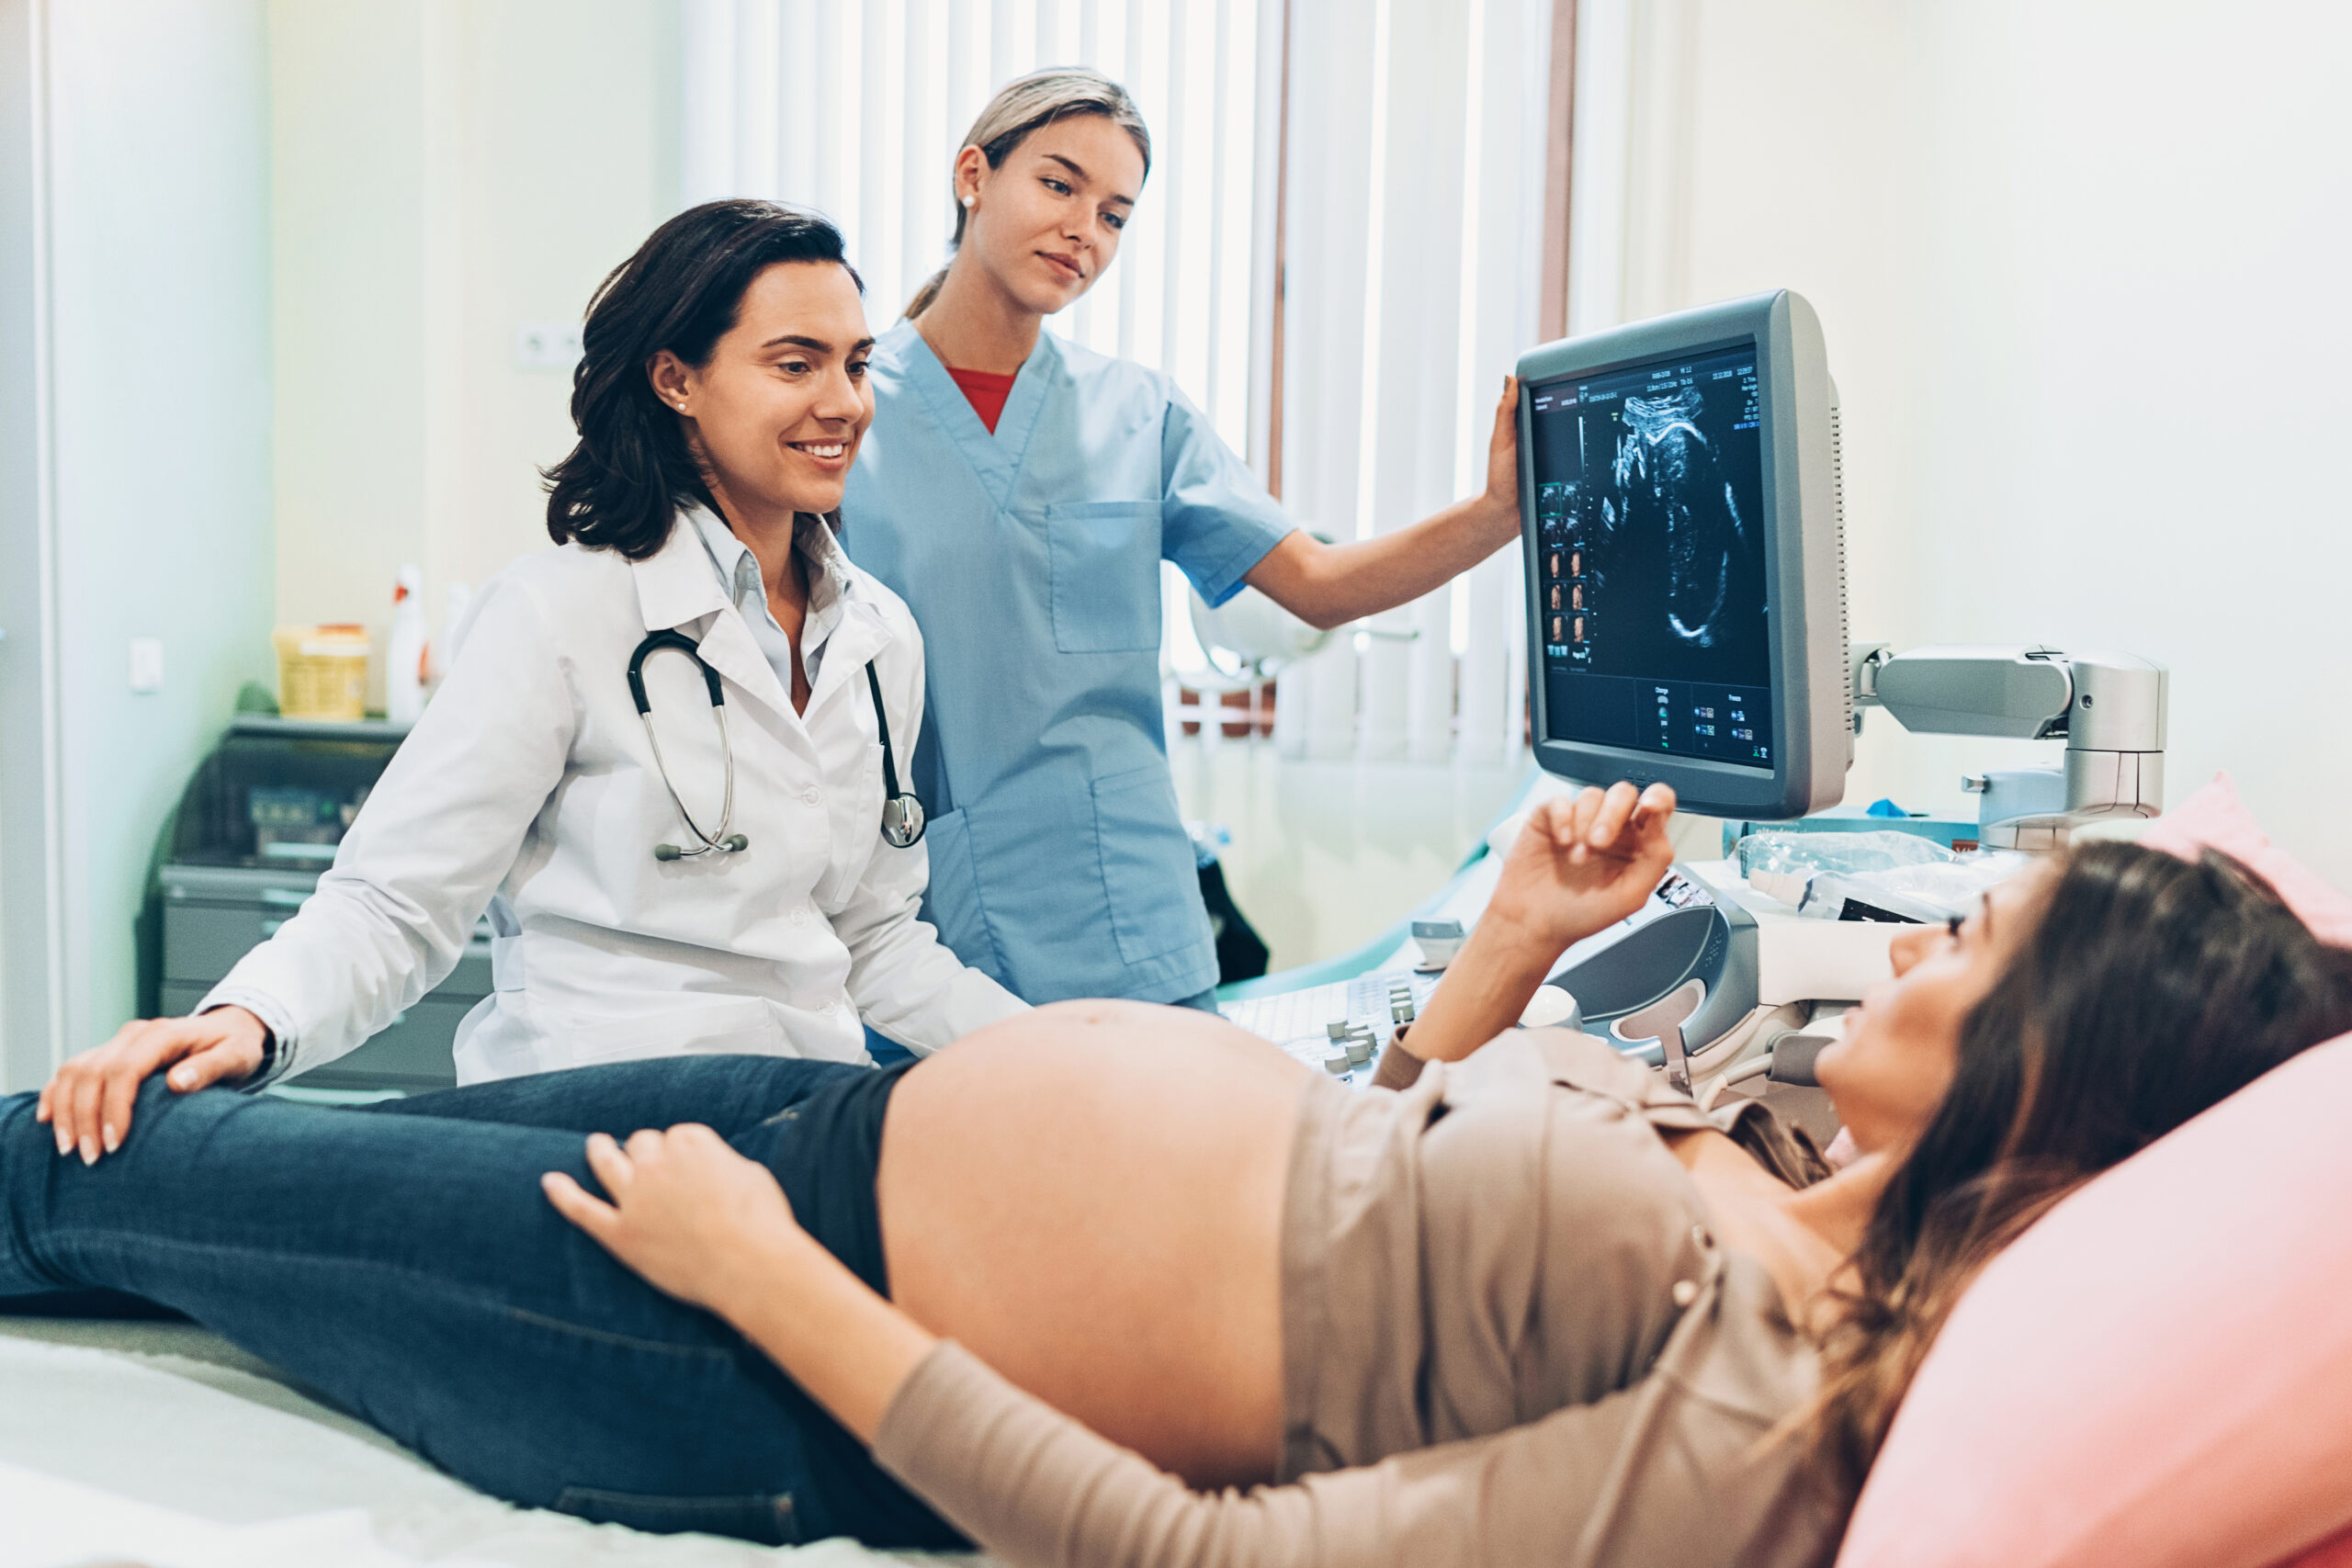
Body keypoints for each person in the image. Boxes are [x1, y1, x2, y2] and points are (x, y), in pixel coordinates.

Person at [10, 784, 2348, 1564]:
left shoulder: (1778, 1398)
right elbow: (1363, 1194)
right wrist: (1513, 950)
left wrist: (760, 1280)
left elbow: (1191, 1547)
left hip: (753, 1319)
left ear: (2047, 1082)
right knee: (147, 1151)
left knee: (102, 1191)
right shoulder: (1751, 1154)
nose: (1900, 939)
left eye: (1966, 937)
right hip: (801, 1139)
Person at [39, 204, 1023, 1164]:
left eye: (856, 363)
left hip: (799, 1115)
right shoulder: (559, 612)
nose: (845, 402)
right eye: (794, 364)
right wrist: (253, 1018)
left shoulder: (881, 634)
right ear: (676, 380)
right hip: (589, 1115)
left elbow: (877, 939)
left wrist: (1069, 1050)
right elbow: (396, 902)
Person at [842, 68, 1528, 1010]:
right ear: (973, 176)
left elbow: (1319, 587)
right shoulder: (843, 412)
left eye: (1116, 214)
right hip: (928, 916)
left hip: (1127, 905)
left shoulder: (1138, 414)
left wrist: (1496, 512)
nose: (1086, 229)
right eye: (1058, 184)